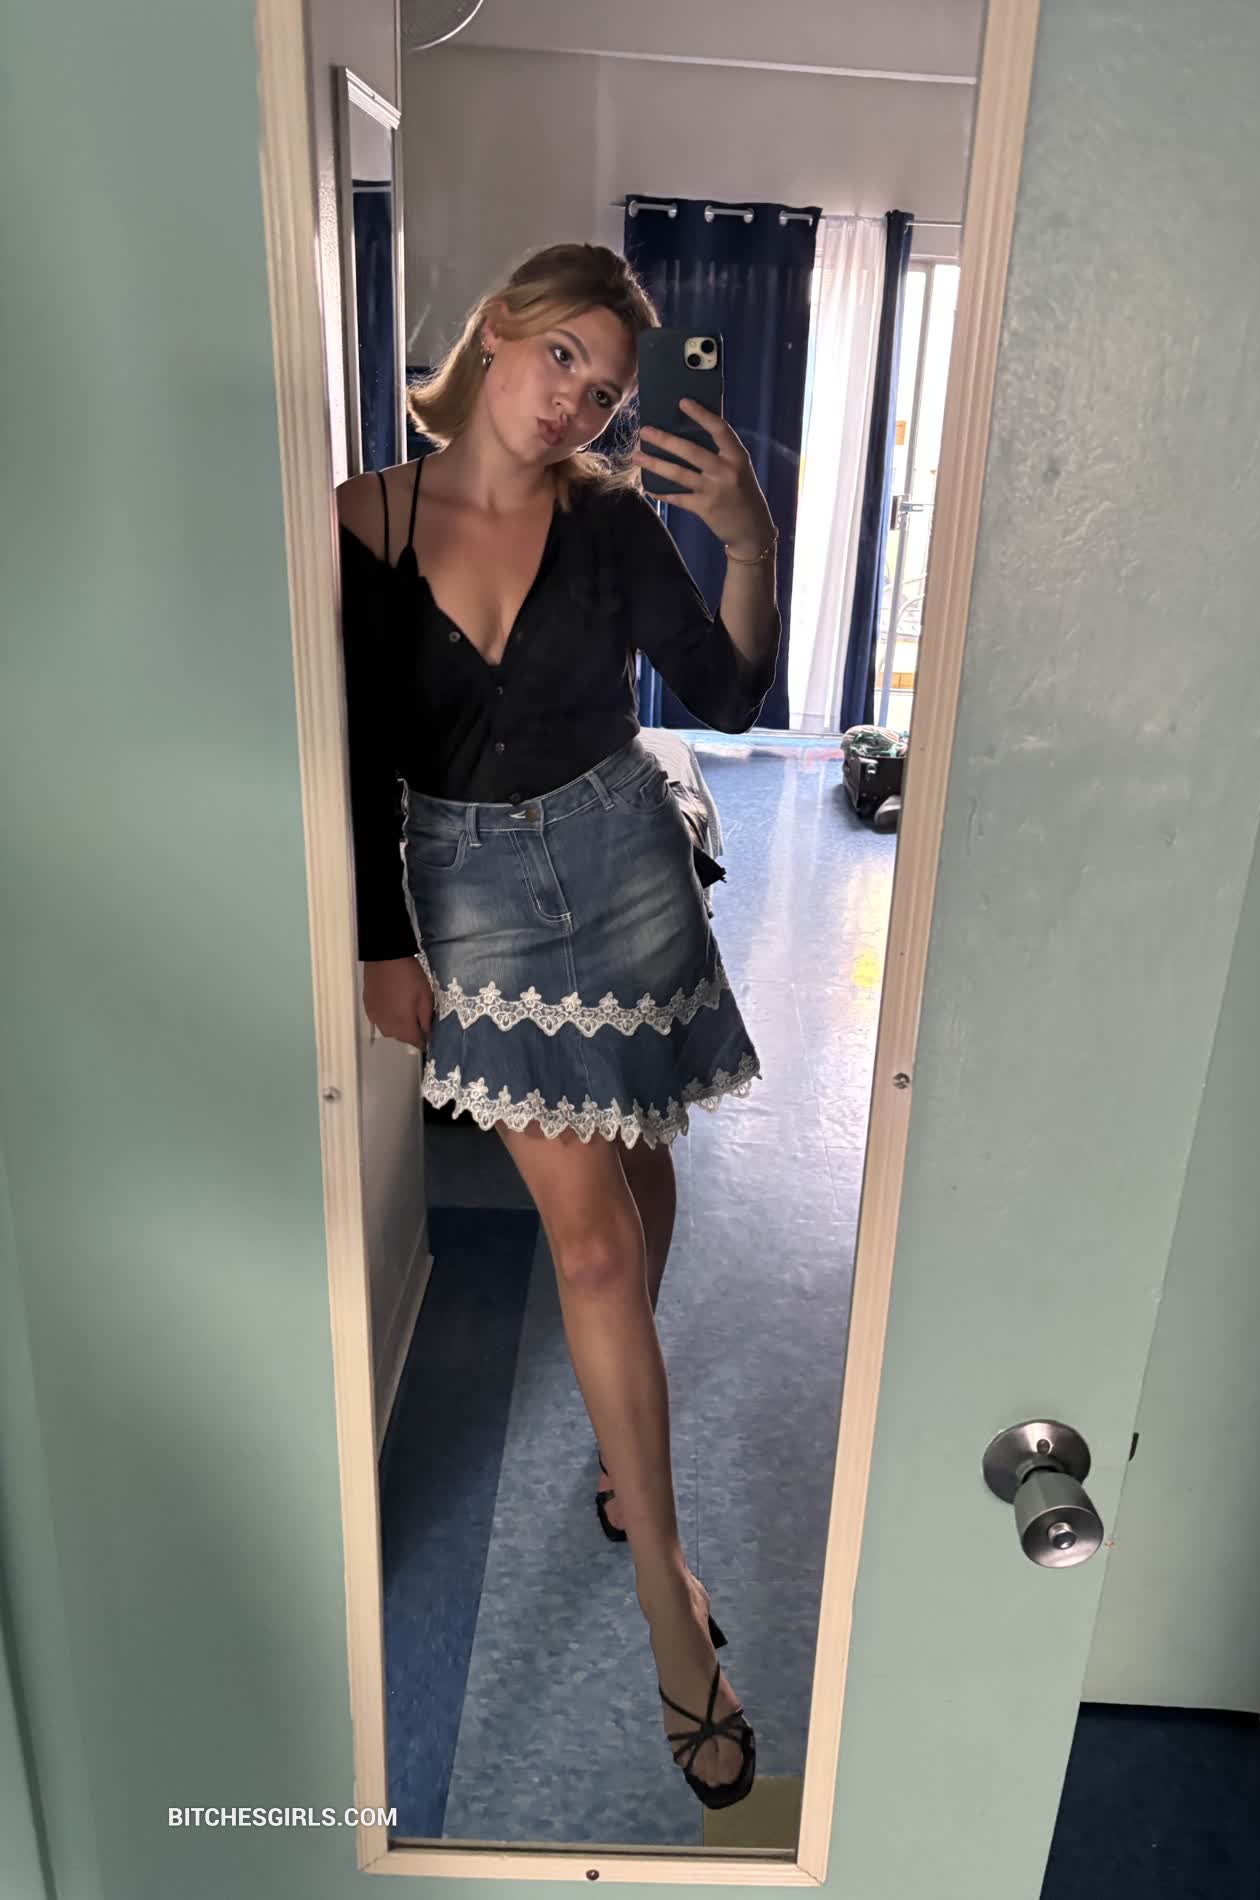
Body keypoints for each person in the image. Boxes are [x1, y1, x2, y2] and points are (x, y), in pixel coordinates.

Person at [336, 242, 780, 1811]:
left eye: (605, 386)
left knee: (637, 1158)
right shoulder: (361, 521)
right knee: (588, 1246)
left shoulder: (608, 522)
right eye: (564, 357)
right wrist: (383, 942)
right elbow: (354, 752)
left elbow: (726, 699)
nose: (577, 399)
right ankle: (669, 1598)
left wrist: (746, 538)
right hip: (472, 897)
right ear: (498, 336)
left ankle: (619, 1453)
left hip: (623, 863)